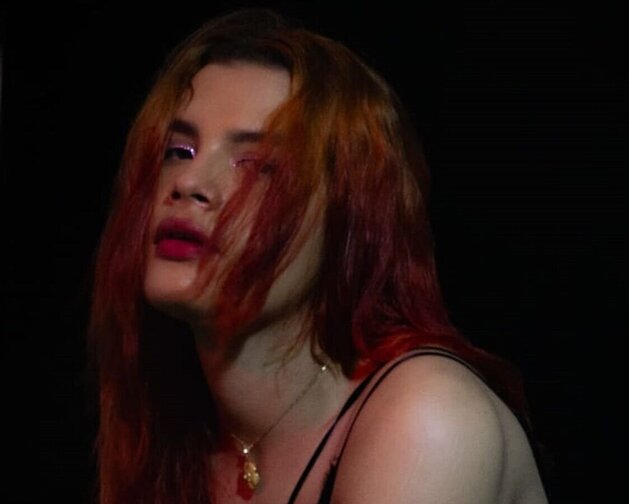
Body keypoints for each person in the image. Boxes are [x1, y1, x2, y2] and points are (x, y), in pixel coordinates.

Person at [88, 7, 549, 504]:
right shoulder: (170, 432)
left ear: (350, 219)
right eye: (178, 151)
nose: (189, 183)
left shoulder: (427, 419)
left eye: (257, 165)